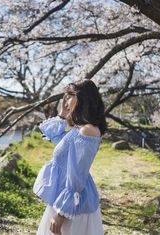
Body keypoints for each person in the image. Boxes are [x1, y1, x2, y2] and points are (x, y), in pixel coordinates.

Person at [33, 79, 107, 235]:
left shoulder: (88, 131)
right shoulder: (79, 128)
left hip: (72, 206)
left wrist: (61, 215)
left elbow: (77, 176)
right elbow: (55, 137)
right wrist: (62, 115)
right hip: (62, 198)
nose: (65, 100)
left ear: (83, 98)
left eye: (70, 95)